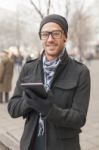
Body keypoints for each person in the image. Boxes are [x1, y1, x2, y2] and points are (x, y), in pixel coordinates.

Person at [8, 14, 91, 150]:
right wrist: (30, 102)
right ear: (41, 37)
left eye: (56, 34)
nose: (50, 39)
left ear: (65, 36)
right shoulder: (28, 68)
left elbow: (79, 118)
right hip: (30, 143)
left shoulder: (80, 72)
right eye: (45, 34)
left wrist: (49, 110)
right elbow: (12, 108)